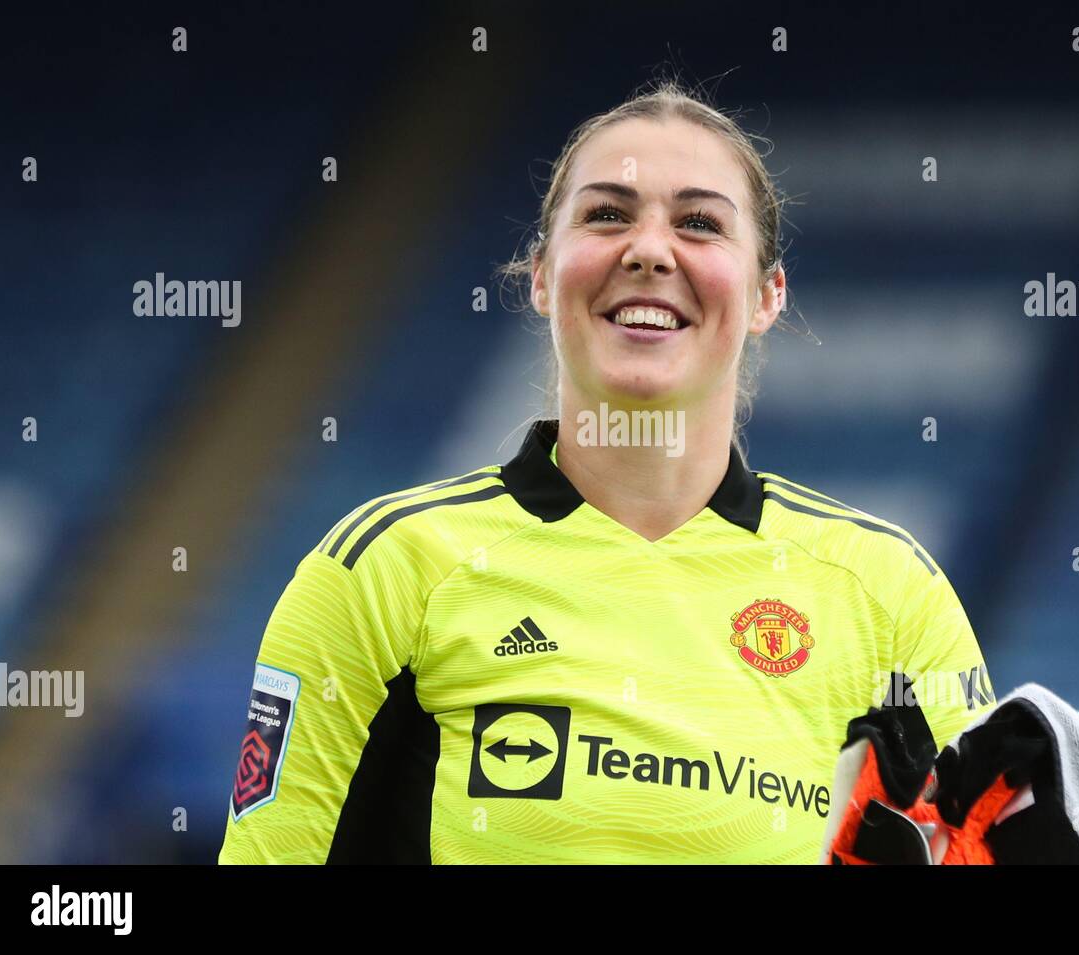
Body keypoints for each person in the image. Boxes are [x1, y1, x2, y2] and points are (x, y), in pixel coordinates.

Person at [217, 79, 996, 864]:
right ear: (542, 276)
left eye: (698, 223)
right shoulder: (383, 569)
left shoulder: (892, 594)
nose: (650, 249)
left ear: (767, 295)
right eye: (607, 214)